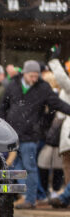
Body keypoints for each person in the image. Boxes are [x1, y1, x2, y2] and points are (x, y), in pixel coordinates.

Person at [0, 59, 70, 209]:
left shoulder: (43, 88)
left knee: (29, 167)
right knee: (13, 167)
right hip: (11, 135)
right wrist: (1, 125)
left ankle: (30, 199)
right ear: (24, 73)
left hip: (30, 135)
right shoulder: (13, 85)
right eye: (31, 75)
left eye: (36, 75)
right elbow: (3, 107)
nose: (34, 79)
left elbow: (56, 103)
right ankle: (22, 195)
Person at [48, 49, 70, 208]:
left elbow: (62, 79)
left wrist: (54, 62)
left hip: (67, 136)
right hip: (65, 137)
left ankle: (65, 198)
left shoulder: (67, 86)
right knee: (67, 169)